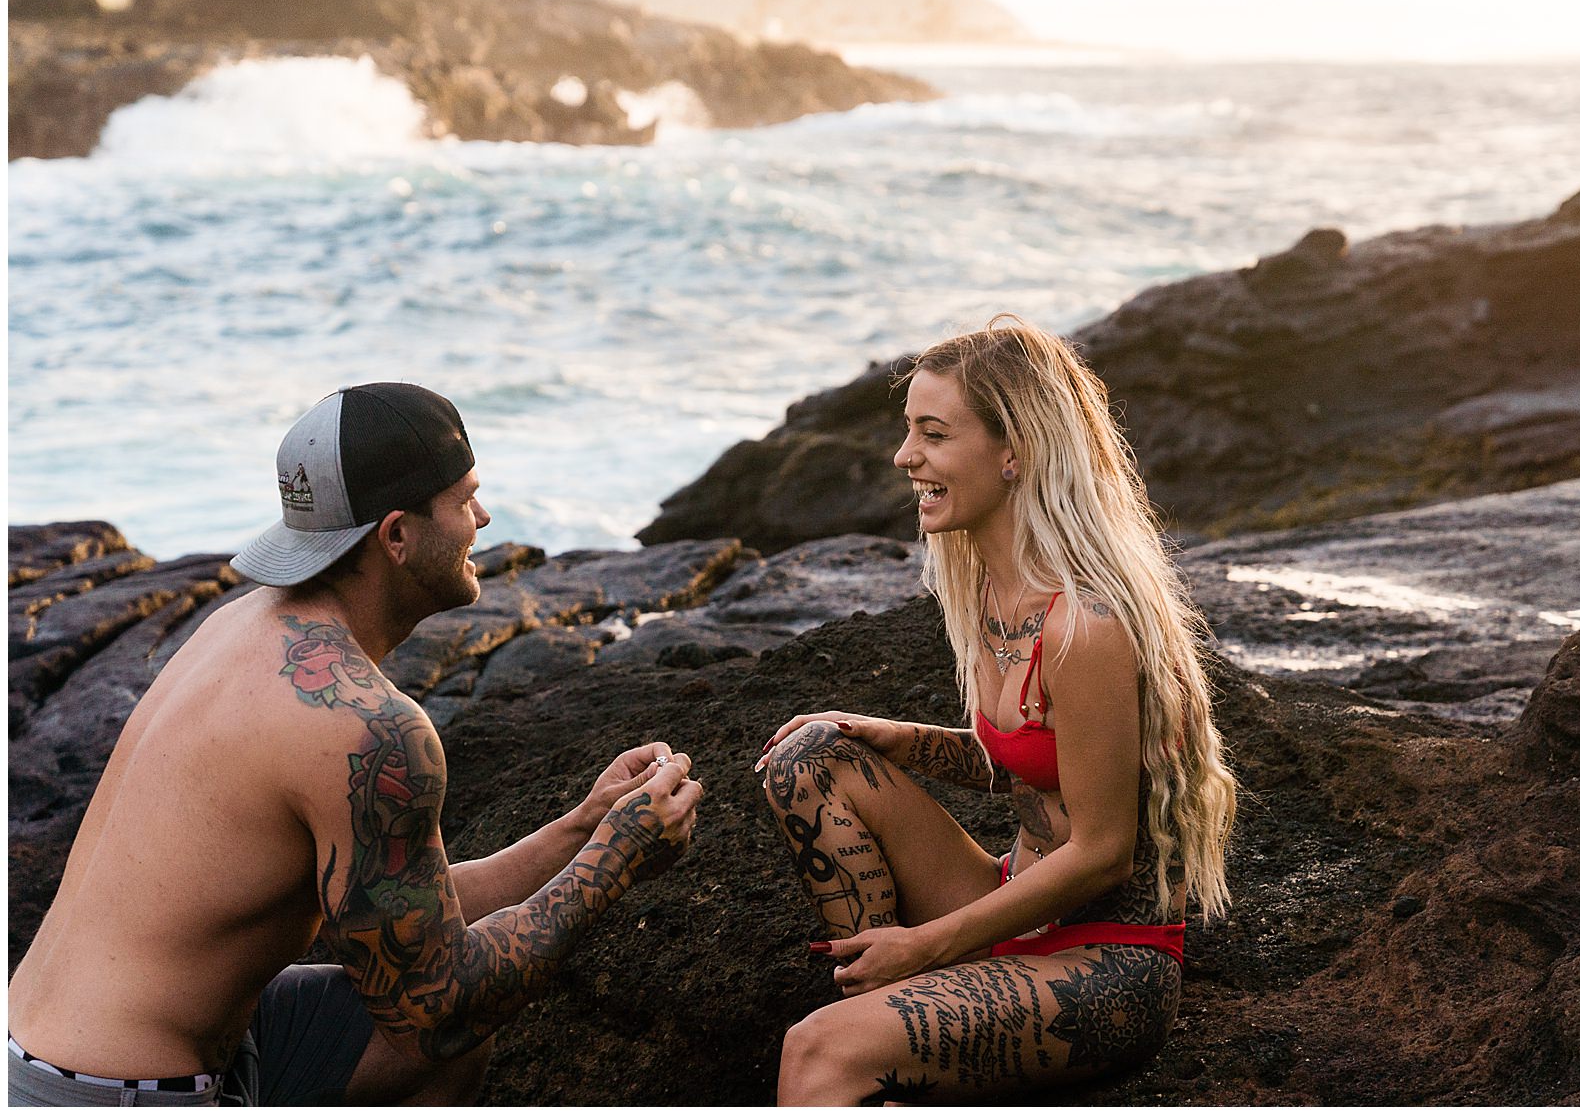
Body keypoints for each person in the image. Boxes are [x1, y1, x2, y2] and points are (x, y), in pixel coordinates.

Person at [8, 382, 704, 1106]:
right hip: (113, 1089)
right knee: (453, 1031)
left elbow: (404, 920)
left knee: (437, 1049)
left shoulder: (238, 627)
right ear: (396, 535)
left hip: (48, 1039)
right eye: (465, 499)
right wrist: (615, 860)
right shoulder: (367, 728)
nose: (484, 517)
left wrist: (581, 829)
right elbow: (439, 1009)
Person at [756, 317, 1237, 1104]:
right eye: (909, 430)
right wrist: (902, 740)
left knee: (815, 1053)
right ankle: (875, 1005)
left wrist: (923, 946)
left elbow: (1105, 850)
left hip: (1106, 961)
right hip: (1008, 897)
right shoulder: (987, 584)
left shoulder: (1087, 623)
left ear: (1013, 451)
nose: (904, 456)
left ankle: (874, 1019)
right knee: (807, 756)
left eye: (933, 434)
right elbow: (1033, 760)